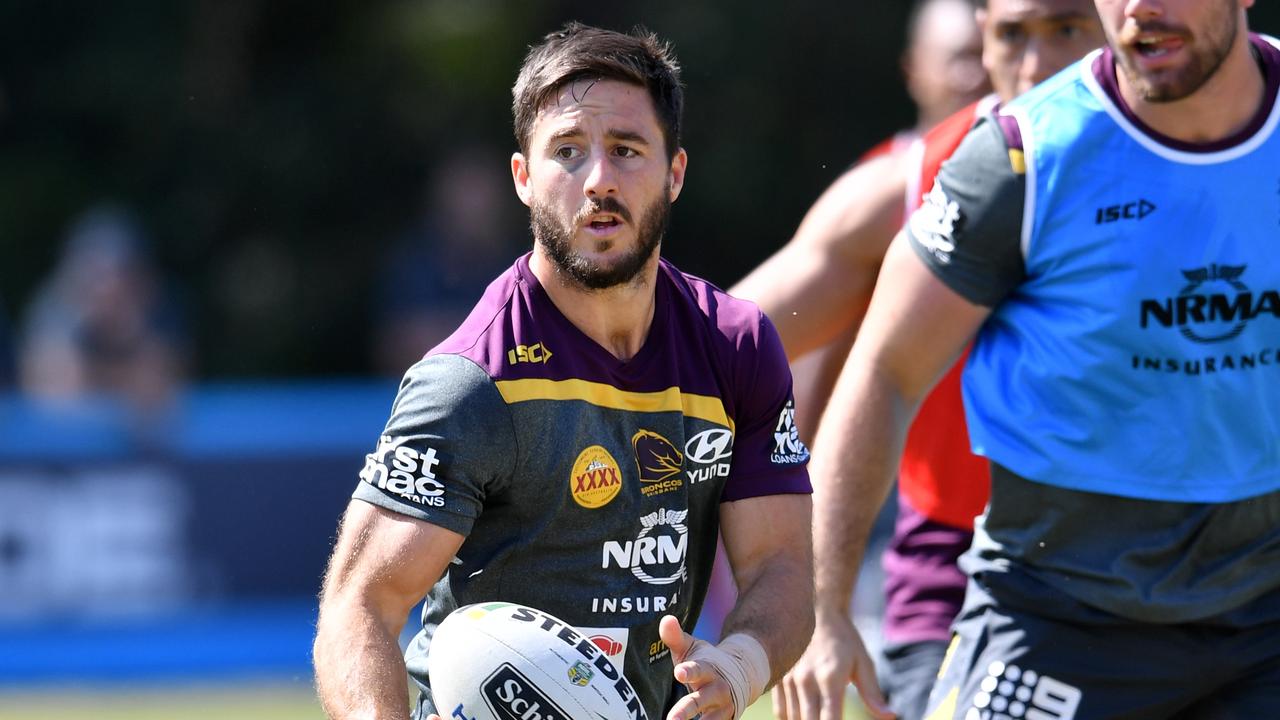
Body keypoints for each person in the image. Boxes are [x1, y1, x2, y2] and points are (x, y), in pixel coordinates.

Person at [313, 23, 815, 720]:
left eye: (627, 150)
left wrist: (736, 666)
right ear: (523, 177)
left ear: (675, 172)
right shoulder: (471, 382)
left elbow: (780, 566)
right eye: (568, 152)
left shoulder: (736, 349)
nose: (600, 180)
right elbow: (361, 603)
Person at [805, 0, 1280, 718]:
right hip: (1057, 614)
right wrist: (825, 605)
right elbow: (884, 367)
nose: (1142, 7)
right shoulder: (1023, 154)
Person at [735, 2, 1104, 718]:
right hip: (951, 557)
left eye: (1065, 30)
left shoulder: (1200, 160)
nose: (1033, 66)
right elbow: (714, 348)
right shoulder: (908, 183)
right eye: (1009, 37)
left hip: (1147, 556)